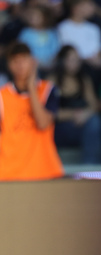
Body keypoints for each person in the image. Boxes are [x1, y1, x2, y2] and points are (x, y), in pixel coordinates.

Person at [0, 42, 63, 181]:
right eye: (15, 61)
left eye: (24, 59)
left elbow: (43, 123)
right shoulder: (2, 96)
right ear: (9, 65)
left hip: (45, 170)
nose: (20, 65)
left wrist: (31, 87)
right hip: (9, 174)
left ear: (33, 61)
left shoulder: (47, 90)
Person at [50, 45, 101, 164]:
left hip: (80, 126)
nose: (76, 64)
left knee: (95, 121)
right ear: (62, 61)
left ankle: (90, 167)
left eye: (77, 60)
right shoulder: (52, 81)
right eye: (71, 60)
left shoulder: (84, 80)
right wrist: (74, 114)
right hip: (59, 129)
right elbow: (49, 113)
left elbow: (95, 105)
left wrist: (85, 114)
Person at [57, 0, 101, 68]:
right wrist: (85, 61)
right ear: (76, 7)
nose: (92, 8)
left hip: (93, 69)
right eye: (87, 5)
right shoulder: (62, 28)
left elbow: (99, 54)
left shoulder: (94, 29)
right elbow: (65, 53)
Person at [18, 5, 60, 70]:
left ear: (45, 18)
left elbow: (55, 49)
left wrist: (50, 61)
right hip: (31, 66)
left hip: (48, 65)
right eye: (32, 16)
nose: (33, 18)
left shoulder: (51, 33)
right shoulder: (25, 33)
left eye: (37, 16)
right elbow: (21, 49)